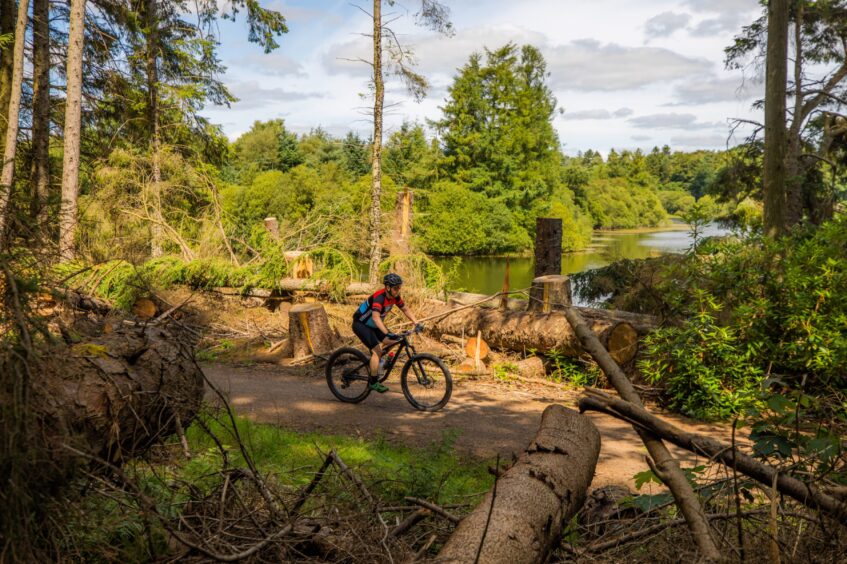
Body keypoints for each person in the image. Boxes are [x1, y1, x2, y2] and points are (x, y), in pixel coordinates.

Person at [352, 273, 420, 392]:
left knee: (394, 341)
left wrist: (416, 322)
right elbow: (376, 318)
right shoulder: (379, 298)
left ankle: (380, 363)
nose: (398, 290)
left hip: (373, 326)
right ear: (388, 287)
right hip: (361, 325)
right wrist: (386, 332)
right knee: (377, 351)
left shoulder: (395, 296)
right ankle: (373, 382)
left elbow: (405, 309)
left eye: (399, 287)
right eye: (395, 288)